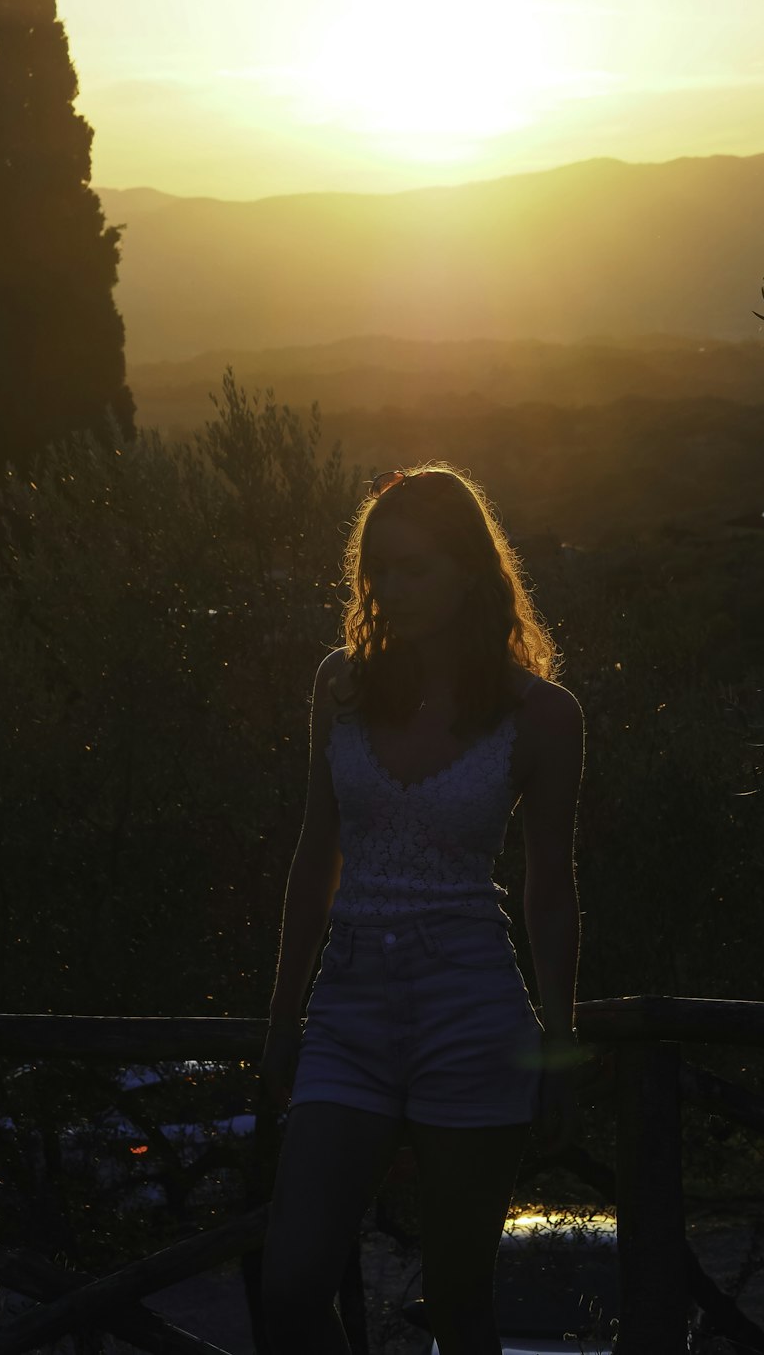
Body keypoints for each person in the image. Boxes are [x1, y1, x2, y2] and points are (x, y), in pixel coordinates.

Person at [258, 464, 586, 1355]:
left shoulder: (543, 716)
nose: (388, 590)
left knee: (458, 1305)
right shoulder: (342, 686)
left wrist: (556, 1043)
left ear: (470, 570)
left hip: (471, 1007)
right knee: (288, 1288)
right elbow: (313, 855)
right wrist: (284, 1014)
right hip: (349, 1008)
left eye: (413, 569)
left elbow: (550, 886)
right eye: (377, 572)